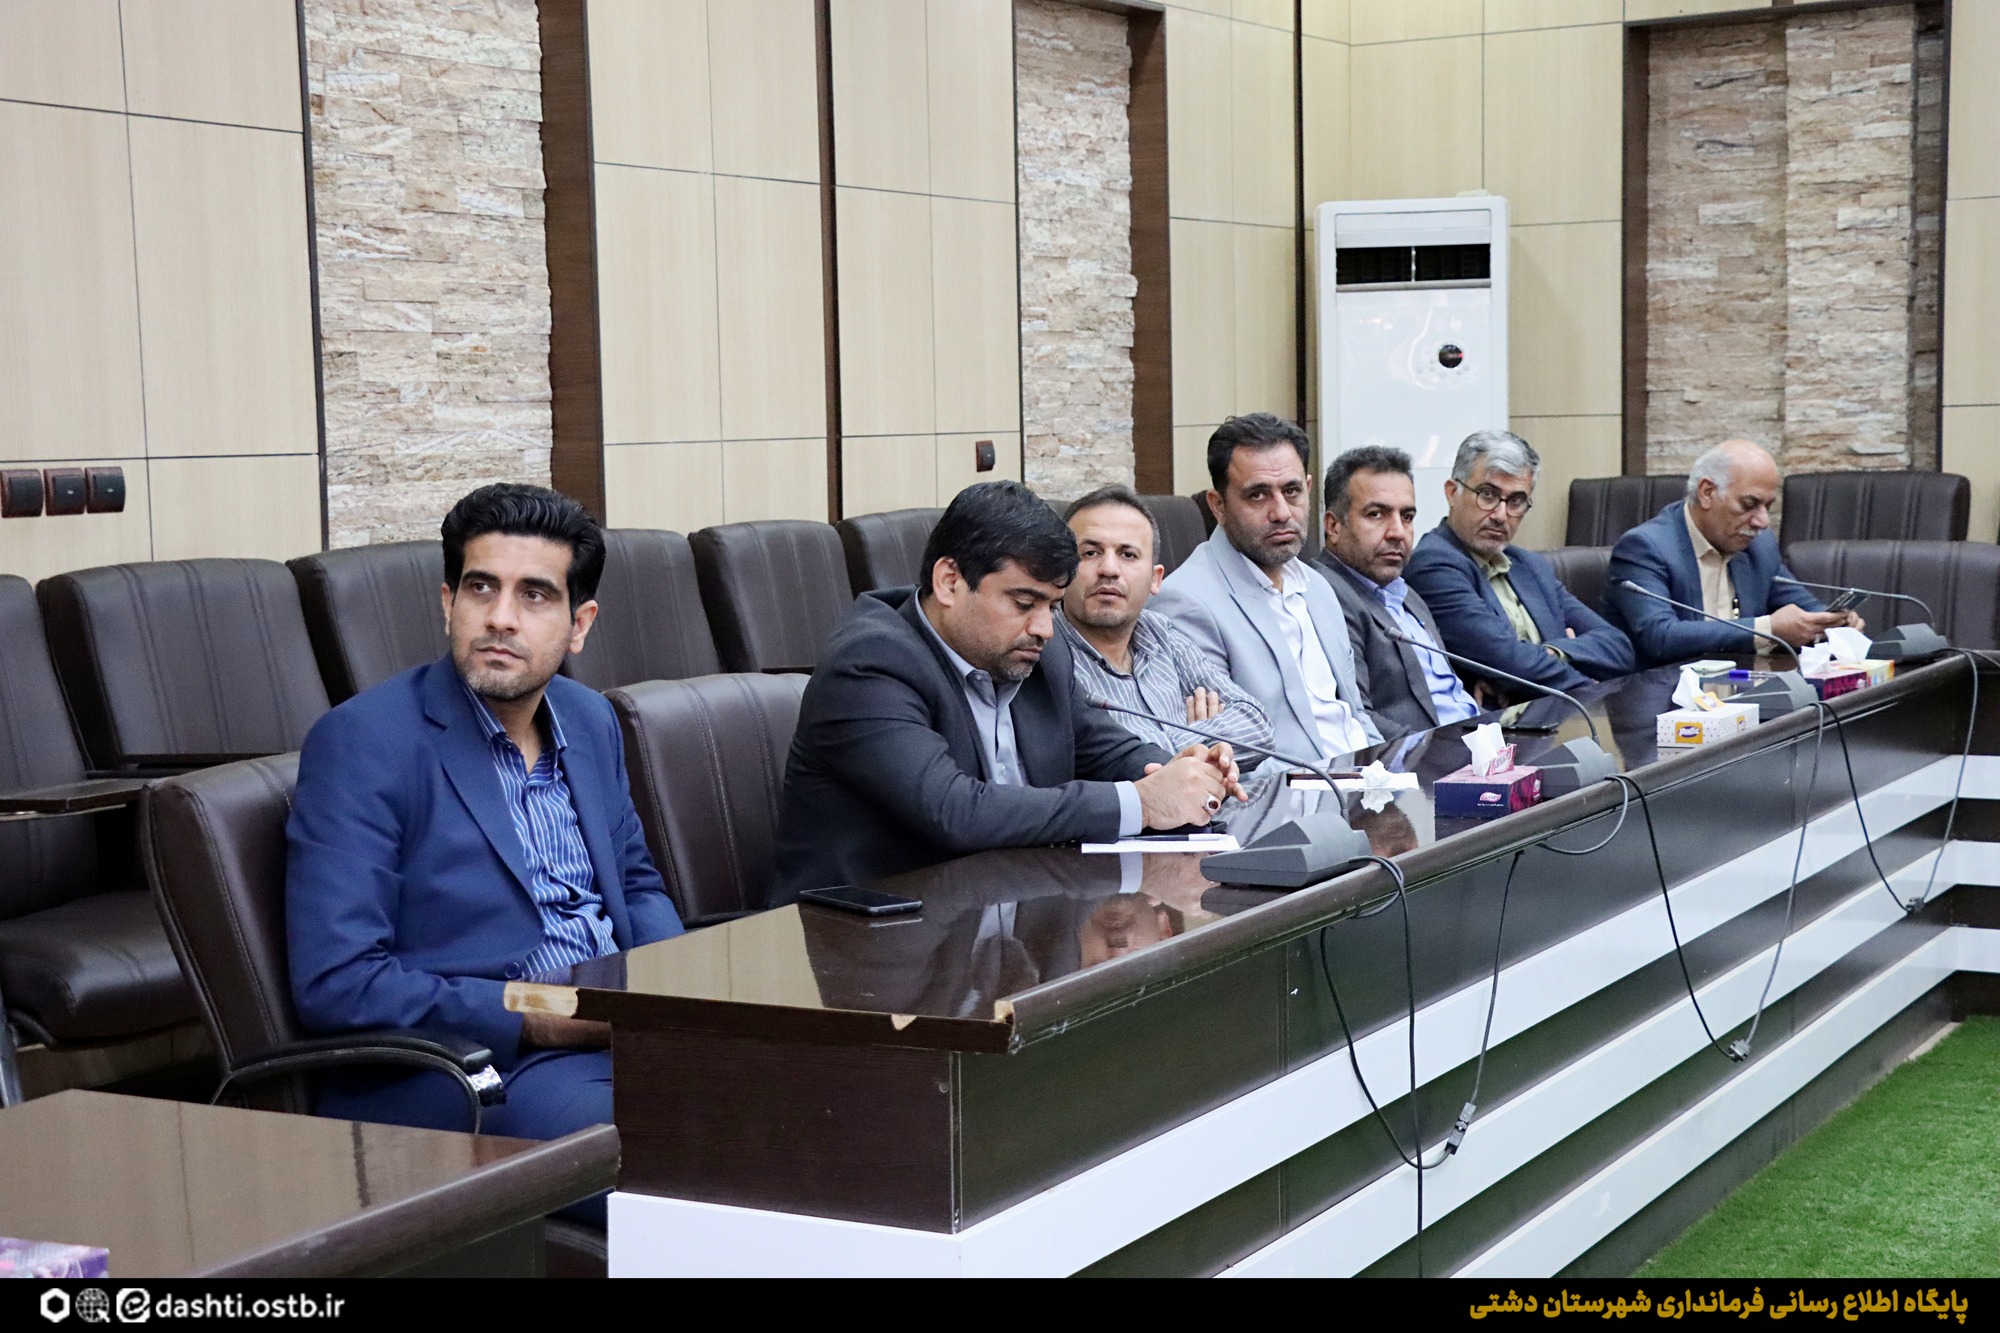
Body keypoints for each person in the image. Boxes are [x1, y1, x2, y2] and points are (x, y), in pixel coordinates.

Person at [286, 484, 684, 1221]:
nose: (501, 616)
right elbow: (339, 981)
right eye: (480, 588)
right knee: (700, 1156)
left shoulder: (590, 719)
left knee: (829, 1105)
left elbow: (636, 885)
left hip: (619, 1038)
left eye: (535, 594)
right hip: (476, 1071)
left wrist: (675, 996)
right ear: (448, 603)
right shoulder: (365, 742)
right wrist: (542, 1015)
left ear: (579, 624)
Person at [772, 480, 1246, 898]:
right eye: (1024, 603)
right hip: (867, 935)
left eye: (1052, 606)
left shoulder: (1039, 654)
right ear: (950, 582)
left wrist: (1184, 773)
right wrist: (1142, 803)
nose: (1044, 628)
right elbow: (955, 811)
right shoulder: (870, 664)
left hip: (1005, 915)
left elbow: (1106, 749)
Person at [1152, 413, 1383, 764]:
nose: (1281, 513)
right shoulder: (1185, 603)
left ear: (1308, 489)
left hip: (1368, 776)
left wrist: (1389, 770)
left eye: (1291, 491)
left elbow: (1355, 715)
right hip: (1295, 791)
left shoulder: (1318, 587)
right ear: (1218, 506)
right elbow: (1226, 758)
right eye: (1258, 495)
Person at [1405, 429, 1637, 696]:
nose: (1500, 515)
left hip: (1553, 712)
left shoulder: (1529, 565)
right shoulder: (1433, 564)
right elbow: (1510, 662)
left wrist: (1554, 652)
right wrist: (1587, 683)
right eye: (1487, 494)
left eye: (1516, 501)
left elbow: (1619, 648)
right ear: (1451, 493)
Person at [1604, 438, 1862, 668]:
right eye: (1749, 505)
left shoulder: (1758, 545)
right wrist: (1767, 629)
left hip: (1741, 692)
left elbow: (1803, 608)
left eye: (1768, 507)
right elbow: (1661, 637)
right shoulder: (1645, 548)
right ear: (1707, 493)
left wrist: (1833, 623)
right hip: (1663, 696)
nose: (1762, 521)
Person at [1057, 484, 1275, 756]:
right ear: (1061, 570)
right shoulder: (1048, 655)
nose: (1109, 569)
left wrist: (1176, 751)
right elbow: (1106, 763)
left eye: (1128, 554)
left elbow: (1257, 727)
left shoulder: (1161, 632)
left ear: (1155, 579)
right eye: (1090, 553)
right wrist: (1200, 740)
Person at [1312, 445, 1481, 737]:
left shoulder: (1402, 591)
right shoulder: (1326, 594)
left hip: (1482, 741)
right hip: (1427, 755)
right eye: (1376, 514)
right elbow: (1355, 717)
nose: (1398, 532)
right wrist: (1440, 749)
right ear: (1334, 526)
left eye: (1407, 516)